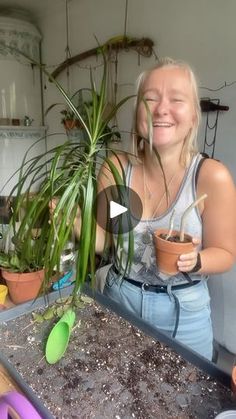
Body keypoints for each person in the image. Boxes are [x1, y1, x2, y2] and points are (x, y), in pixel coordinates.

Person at [51, 57, 236, 360]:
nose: (161, 109)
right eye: (149, 99)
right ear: (137, 112)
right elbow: (108, 242)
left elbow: (226, 254)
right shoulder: (117, 169)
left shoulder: (210, 177)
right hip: (120, 299)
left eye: (176, 99)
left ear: (193, 116)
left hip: (183, 313)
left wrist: (196, 260)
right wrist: (72, 219)